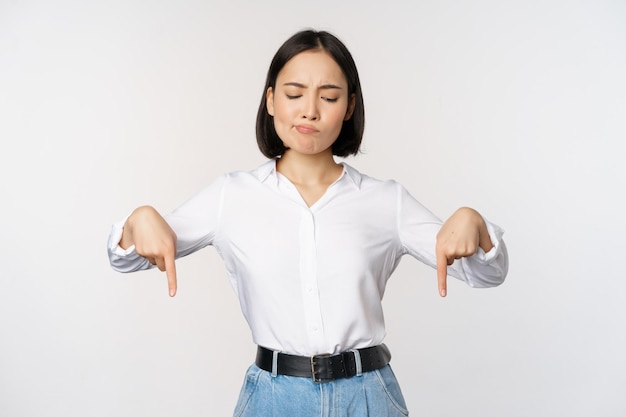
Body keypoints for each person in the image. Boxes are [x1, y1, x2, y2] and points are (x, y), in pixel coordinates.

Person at [107, 29, 508, 417]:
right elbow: (130, 256)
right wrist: (138, 220)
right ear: (270, 101)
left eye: (329, 97)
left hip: (367, 396)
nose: (309, 110)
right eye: (294, 94)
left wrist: (476, 226)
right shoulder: (231, 196)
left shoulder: (387, 201)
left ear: (349, 106)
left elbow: (486, 274)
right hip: (273, 398)